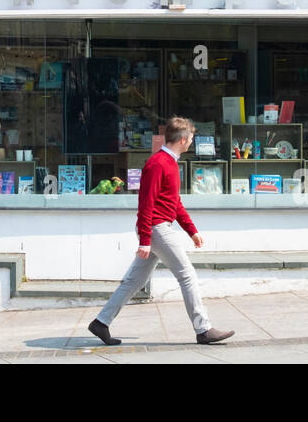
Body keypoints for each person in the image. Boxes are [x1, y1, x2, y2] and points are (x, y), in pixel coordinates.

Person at [88, 116, 234, 346]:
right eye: (192, 139)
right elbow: (145, 203)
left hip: (157, 228)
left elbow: (174, 202)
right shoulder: (158, 163)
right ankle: (203, 329)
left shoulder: (169, 163)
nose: (192, 143)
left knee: (134, 281)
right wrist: (145, 240)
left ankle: (101, 322)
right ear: (183, 139)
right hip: (156, 228)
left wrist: (191, 231)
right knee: (187, 275)